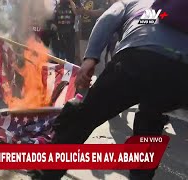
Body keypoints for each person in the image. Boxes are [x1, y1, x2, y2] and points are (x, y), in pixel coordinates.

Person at [29, 0, 188, 179]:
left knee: (83, 117)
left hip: (138, 59)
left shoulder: (131, 2)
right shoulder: (177, 11)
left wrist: (91, 58)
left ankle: (47, 173)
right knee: (151, 120)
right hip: (181, 75)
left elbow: (107, 19)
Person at [69, 0, 108, 65]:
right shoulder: (84, 1)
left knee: (97, 64)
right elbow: (79, 14)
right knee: (84, 63)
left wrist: (85, 11)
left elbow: (102, 12)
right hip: (84, 36)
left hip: (98, 36)